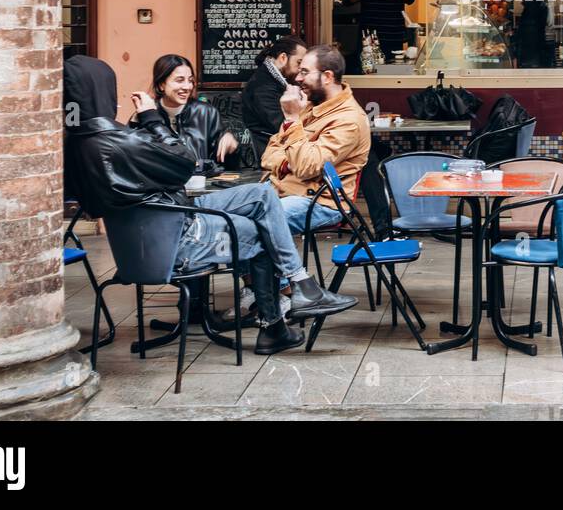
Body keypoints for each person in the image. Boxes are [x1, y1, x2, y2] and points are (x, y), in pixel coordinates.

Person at [63, 56, 356, 356]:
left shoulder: (77, 142)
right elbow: (183, 162)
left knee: (261, 196)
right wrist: (152, 119)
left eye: (190, 80)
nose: (187, 86)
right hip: (178, 234)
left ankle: (301, 285)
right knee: (259, 227)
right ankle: (275, 325)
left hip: (148, 233)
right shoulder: (120, 139)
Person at [261, 44, 374, 238]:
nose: (297, 78)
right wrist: (289, 164)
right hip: (281, 190)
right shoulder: (309, 105)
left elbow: (305, 167)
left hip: (320, 203)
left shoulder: (349, 120)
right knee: (228, 212)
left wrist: (292, 120)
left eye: (304, 72)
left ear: (328, 77)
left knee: (255, 223)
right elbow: (268, 154)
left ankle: (290, 269)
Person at [132, 54, 237, 174]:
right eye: (180, 80)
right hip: (162, 189)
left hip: (202, 187)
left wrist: (231, 148)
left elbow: (223, 165)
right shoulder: (147, 115)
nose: (187, 87)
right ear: (161, 84)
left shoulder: (206, 112)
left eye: (190, 80)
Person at [241, 35, 308, 162]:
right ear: (283, 58)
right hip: (268, 157)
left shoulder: (275, 80)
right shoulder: (262, 87)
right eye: (299, 63)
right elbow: (280, 125)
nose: (300, 70)